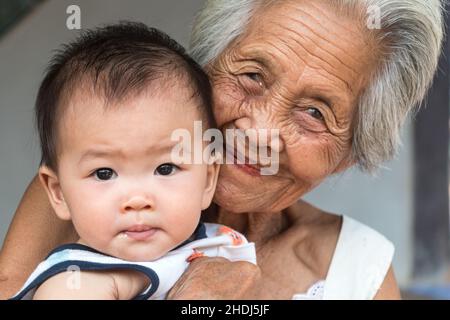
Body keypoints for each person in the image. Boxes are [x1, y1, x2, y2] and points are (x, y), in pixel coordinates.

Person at [0, 0, 445, 299]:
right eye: (252, 76)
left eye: (314, 112)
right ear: (204, 69)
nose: (260, 134)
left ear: (350, 153)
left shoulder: (359, 270)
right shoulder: (97, 188)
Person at [9, 23, 256, 300]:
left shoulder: (202, 244)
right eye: (104, 173)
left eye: (165, 168)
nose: (137, 200)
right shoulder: (78, 282)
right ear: (58, 193)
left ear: (208, 180)